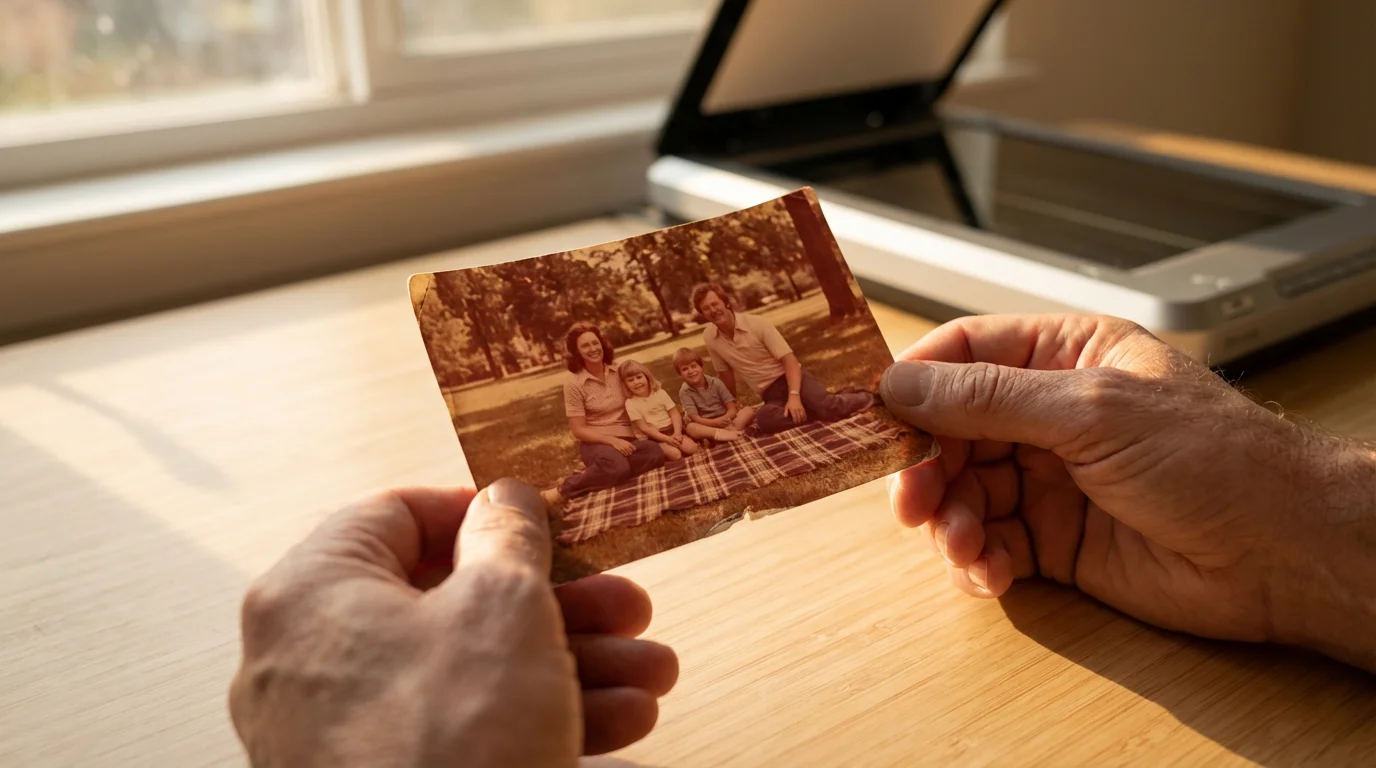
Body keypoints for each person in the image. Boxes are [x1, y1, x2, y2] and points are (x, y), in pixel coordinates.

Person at [231, 314, 1376, 767]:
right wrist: (1307, 540)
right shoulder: (600, 391)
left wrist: (1297, 533)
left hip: (744, 415)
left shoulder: (736, 344)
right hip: (649, 446)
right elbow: (635, 426)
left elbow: (733, 391)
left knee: (813, 410)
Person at [692, 283, 874, 435]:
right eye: (706, 308)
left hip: (793, 379)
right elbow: (726, 375)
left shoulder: (757, 324)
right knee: (766, 420)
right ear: (702, 314)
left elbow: (791, 362)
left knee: (828, 407)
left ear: (726, 302)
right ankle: (817, 408)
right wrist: (728, 408)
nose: (713, 310)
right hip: (770, 393)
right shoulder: (710, 338)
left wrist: (794, 397)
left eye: (715, 304)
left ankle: (868, 396)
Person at [541, 323, 665, 509]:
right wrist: (613, 441)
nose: (593, 349)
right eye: (585, 346)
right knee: (618, 467)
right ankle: (564, 489)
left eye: (595, 343)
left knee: (654, 452)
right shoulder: (574, 384)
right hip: (595, 442)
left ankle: (603, 472)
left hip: (629, 438)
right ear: (576, 352)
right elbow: (578, 429)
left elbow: (645, 394)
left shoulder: (619, 370)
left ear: (602, 344)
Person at [620, 359, 699, 462]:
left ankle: (680, 443)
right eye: (631, 380)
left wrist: (677, 433)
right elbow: (645, 428)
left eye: (639, 377)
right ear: (625, 384)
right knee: (675, 455)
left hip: (673, 431)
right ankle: (664, 452)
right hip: (655, 437)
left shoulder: (660, 393)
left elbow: (674, 413)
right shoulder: (630, 403)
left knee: (692, 448)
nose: (636, 382)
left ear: (647, 377)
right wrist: (667, 440)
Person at [673, 346, 756, 442]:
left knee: (749, 410)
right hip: (706, 425)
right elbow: (695, 418)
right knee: (691, 428)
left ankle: (726, 433)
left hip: (727, 420)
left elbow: (732, 407)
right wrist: (715, 423)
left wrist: (726, 418)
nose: (691, 371)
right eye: (685, 369)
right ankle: (718, 434)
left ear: (701, 366)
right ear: (680, 374)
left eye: (693, 366)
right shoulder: (684, 391)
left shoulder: (715, 382)